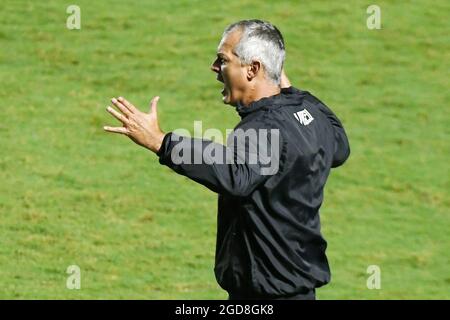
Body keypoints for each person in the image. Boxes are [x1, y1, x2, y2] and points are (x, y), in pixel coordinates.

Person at [104, 19, 350, 300]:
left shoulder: (262, 127)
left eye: (223, 60)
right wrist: (287, 88)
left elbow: (236, 174)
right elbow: (340, 147)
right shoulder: (307, 112)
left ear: (253, 69)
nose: (214, 68)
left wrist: (161, 142)